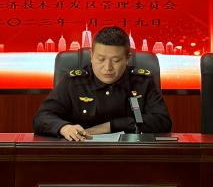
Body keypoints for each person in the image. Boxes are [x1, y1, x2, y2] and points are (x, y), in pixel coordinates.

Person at [33, 26, 172, 141]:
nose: (108, 67)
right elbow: (42, 117)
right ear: (91, 56)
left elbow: (162, 122)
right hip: (80, 154)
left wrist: (111, 126)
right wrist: (64, 128)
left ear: (127, 58)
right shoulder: (74, 81)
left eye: (116, 60)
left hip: (130, 154)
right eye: (100, 59)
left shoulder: (142, 82)